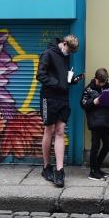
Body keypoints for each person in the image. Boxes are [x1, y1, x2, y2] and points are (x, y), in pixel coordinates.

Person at [37, 34, 82, 188]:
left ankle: (60, 170)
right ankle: (46, 167)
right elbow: (40, 75)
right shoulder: (48, 53)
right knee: (48, 130)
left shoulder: (66, 57)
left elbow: (64, 79)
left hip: (63, 99)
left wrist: (72, 81)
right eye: (68, 50)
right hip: (48, 98)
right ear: (64, 43)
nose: (68, 54)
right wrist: (57, 84)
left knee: (60, 131)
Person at [80, 68, 109, 180]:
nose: (103, 84)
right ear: (96, 79)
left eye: (104, 82)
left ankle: (97, 168)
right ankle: (93, 172)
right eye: (101, 82)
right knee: (95, 146)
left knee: (107, 145)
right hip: (95, 121)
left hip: (106, 121)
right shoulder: (89, 89)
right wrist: (94, 102)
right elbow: (83, 104)